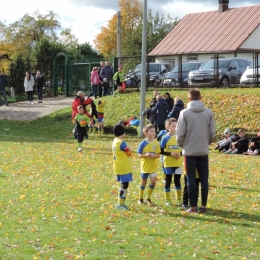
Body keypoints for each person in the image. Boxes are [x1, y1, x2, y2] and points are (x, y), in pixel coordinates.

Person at [176, 88, 216, 213]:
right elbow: (212, 132)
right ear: (200, 98)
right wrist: (206, 143)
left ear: (188, 98)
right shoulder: (208, 112)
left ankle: (193, 206)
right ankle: (203, 206)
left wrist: (183, 145)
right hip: (203, 150)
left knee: (190, 179)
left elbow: (180, 134)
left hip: (189, 151)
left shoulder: (184, 113)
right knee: (204, 180)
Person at [160, 118, 183, 206]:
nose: (175, 128)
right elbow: (161, 151)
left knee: (177, 181)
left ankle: (179, 200)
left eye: (177, 126)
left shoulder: (180, 137)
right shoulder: (165, 138)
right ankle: (168, 200)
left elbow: (184, 149)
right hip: (168, 163)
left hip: (178, 163)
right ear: (168, 127)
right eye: (173, 126)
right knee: (168, 181)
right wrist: (170, 154)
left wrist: (180, 154)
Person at [137, 124, 160, 206]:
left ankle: (148, 198)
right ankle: (140, 198)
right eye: (151, 131)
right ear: (145, 133)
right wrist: (146, 155)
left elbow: (158, 154)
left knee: (153, 182)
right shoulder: (143, 143)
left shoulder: (156, 143)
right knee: (143, 182)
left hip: (153, 167)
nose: (154, 133)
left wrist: (152, 156)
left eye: (154, 131)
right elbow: (139, 155)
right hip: (145, 168)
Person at [112, 124, 133, 210]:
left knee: (123, 184)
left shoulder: (115, 141)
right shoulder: (121, 143)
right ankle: (120, 204)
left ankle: (120, 203)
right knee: (124, 185)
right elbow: (129, 152)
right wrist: (130, 151)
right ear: (122, 133)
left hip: (118, 165)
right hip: (124, 166)